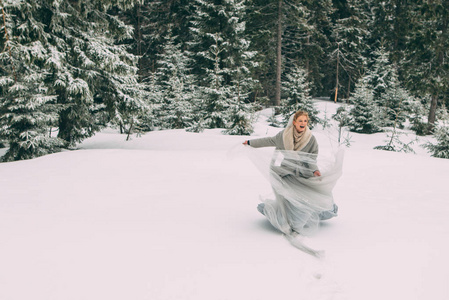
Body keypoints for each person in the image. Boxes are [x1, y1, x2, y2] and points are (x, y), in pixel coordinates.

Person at [243, 110, 339, 237]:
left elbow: (311, 158)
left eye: (305, 121)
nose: (303, 123)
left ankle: (305, 217)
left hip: (304, 175)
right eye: (300, 121)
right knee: (289, 198)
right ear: (294, 122)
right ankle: (288, 219)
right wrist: (250, 143)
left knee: (305, 198)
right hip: (286, 173)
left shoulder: (311, 139)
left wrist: (314, 170)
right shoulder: (284, 135)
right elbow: (269, 141)